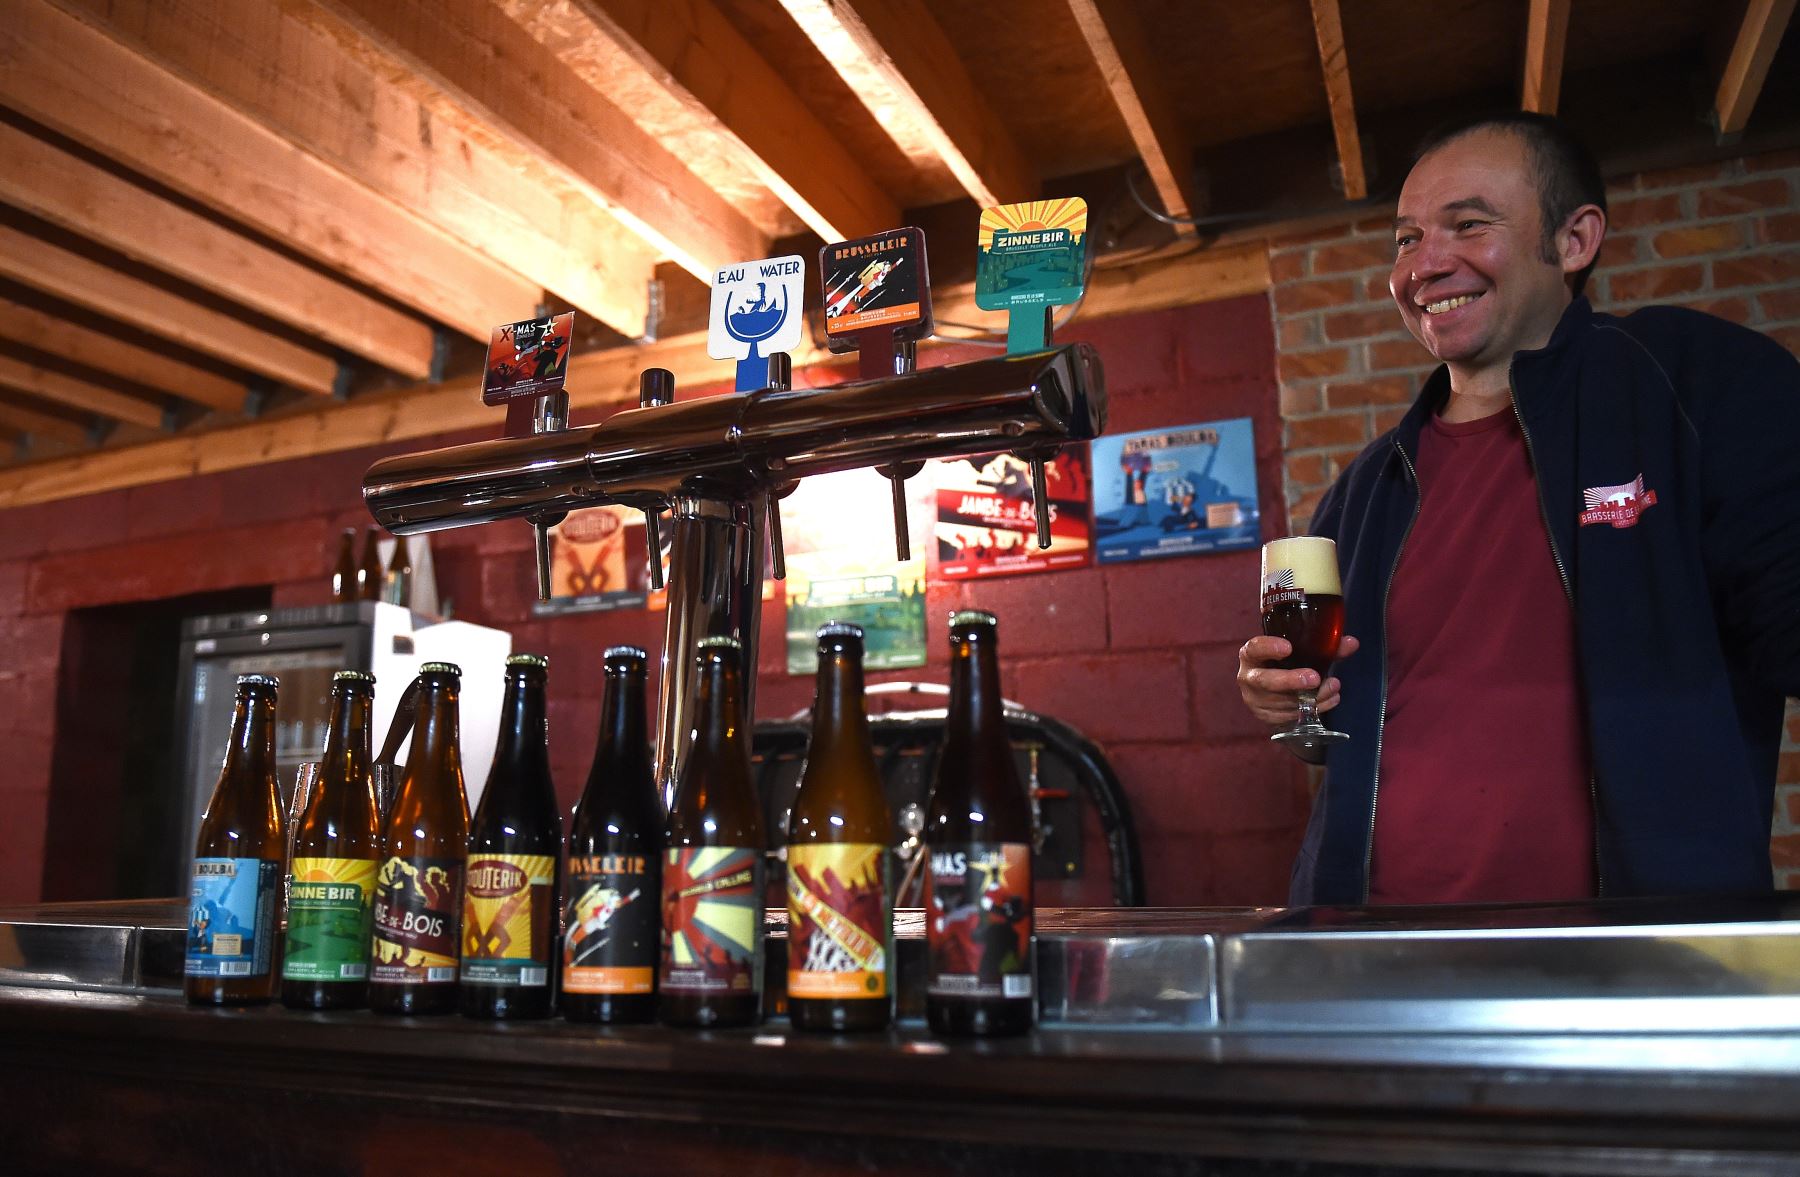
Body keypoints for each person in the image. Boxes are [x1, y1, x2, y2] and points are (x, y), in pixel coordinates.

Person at [1237, 111, 1800, 906]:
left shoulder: (1691, 388)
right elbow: (1337, 739)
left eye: (1467, 224)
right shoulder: (1368, 486)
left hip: (1631, 977)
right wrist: (1286, 700)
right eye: (1405, 239)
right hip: (1372, 964)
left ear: (1575, 242)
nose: (1424, 265)